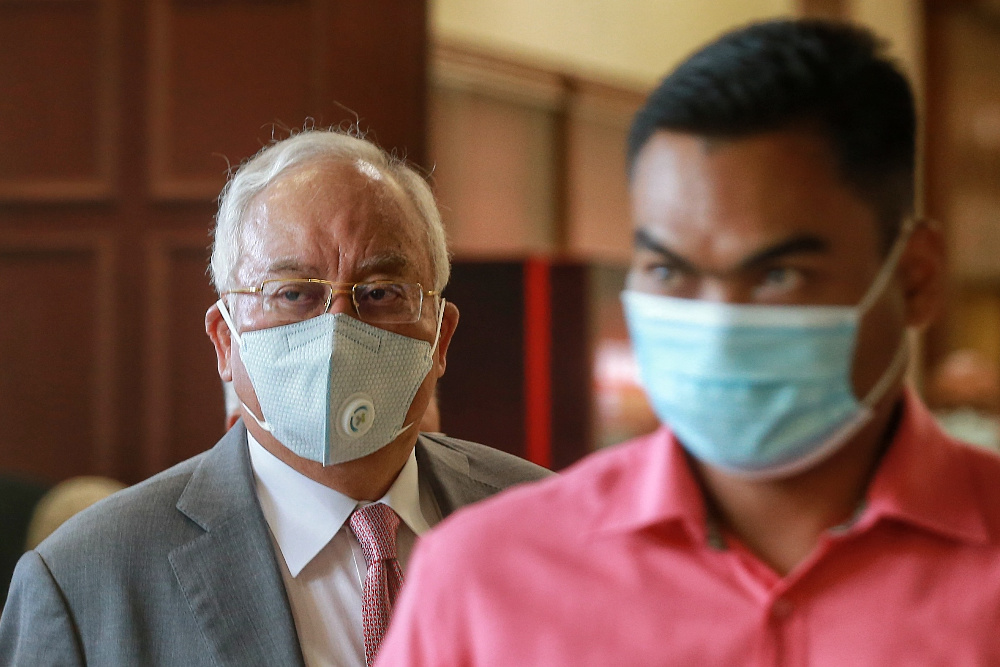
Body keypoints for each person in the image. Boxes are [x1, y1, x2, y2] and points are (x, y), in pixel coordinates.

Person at [378, 20, 1000, 665]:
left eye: (778, 275)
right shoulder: (489, 577)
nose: (719, 325)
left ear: (916, 279)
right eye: (671, 271)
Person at [0, 129, 550, 666]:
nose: (338, 331)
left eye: (381, 293)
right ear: (224, 341)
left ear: (441, 339)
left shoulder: (551, 528)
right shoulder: (86, 581)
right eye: (292, 294)